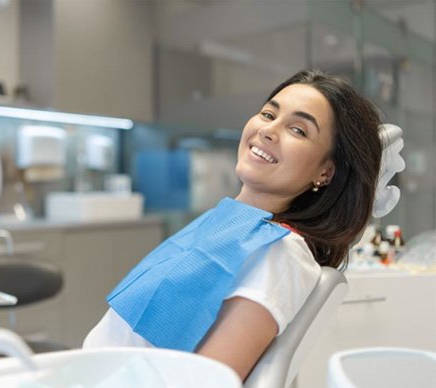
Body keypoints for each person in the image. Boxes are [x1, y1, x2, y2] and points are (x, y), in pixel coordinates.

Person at [83, 69, 383, 381]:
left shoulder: (281, 253)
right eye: (268, 114)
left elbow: (207, 381)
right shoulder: (228, 221)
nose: (268, 130)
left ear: (326, 172)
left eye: (298, 130)